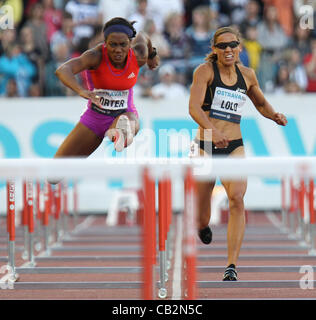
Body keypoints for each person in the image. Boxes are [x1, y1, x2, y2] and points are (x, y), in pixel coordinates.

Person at [188, 26, 287, 281]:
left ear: (240, 47)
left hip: (234, 146)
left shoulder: (248, 75)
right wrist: (212, 131)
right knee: (201, 216)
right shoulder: (205, 72)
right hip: (205, 147)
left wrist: (274, 115)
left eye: (232, 45)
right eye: (222, 46)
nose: (228, 49)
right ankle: (201, 226)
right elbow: (194, 109)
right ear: (214, 50)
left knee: (237, 199)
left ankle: (231, 265)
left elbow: (261, 103)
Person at [53, 17, 159, 159]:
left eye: (123, 44)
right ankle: (114, 133)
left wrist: (152, 55)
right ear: (105, 43)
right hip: (94, 118)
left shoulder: (139, 54)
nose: (118, 50)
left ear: (130, 43)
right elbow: (63, 70)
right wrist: (81, 90)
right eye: (112, 45)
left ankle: (117, 134)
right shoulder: (95, 56)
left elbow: (144, 36)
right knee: (55, 172)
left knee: (129, 121)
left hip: (124, 113)